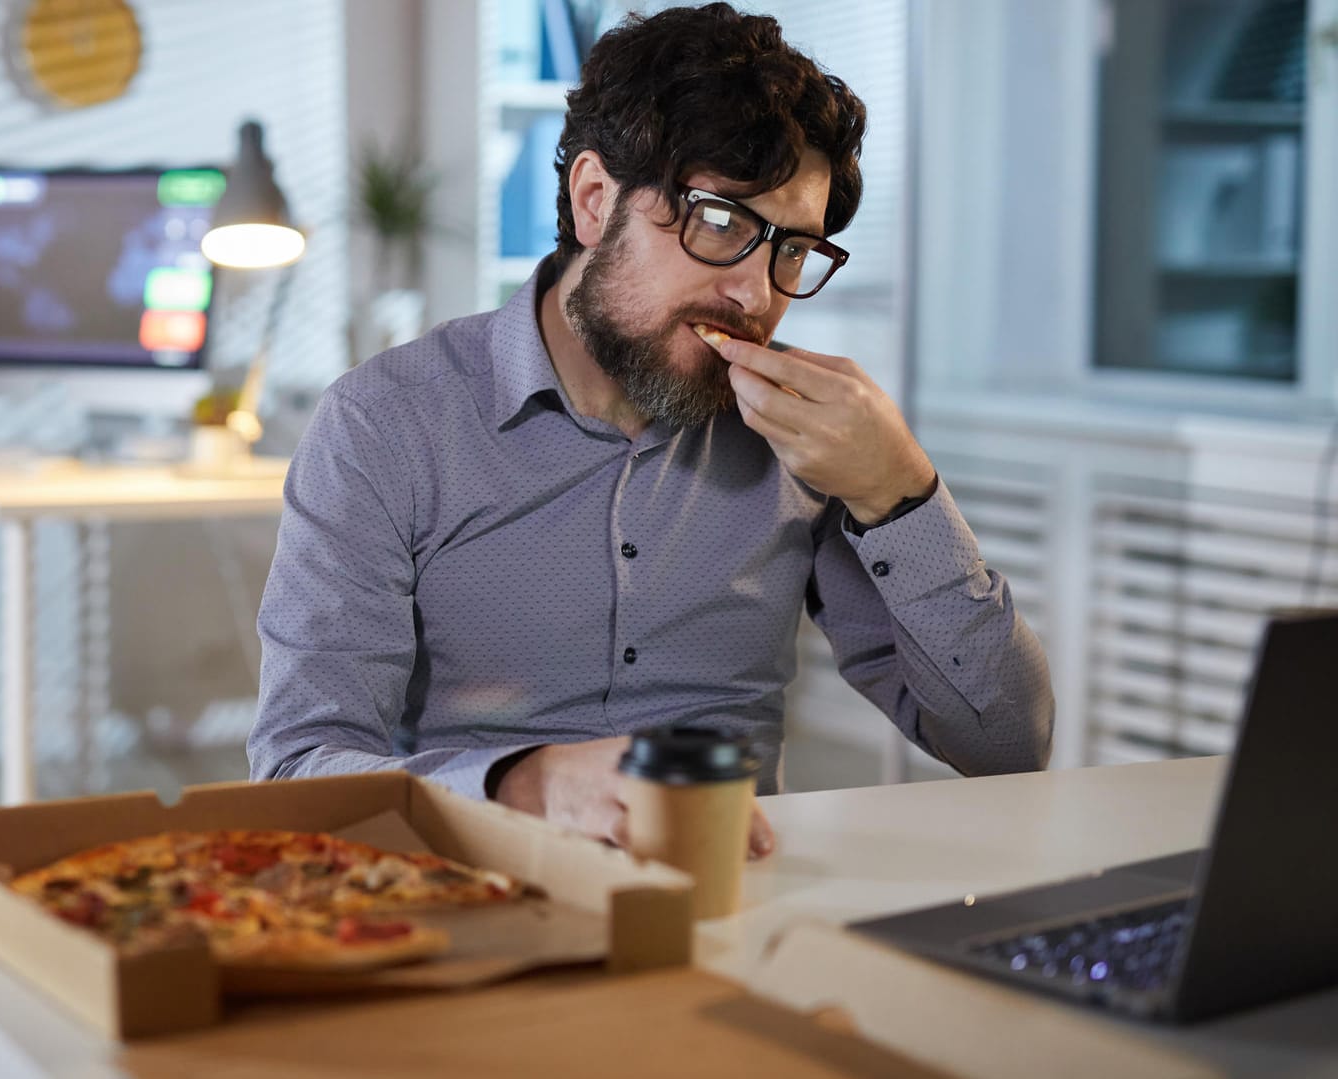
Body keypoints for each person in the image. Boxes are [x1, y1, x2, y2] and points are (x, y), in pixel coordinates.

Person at [248, 3, 1053, 857]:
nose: (756, 293)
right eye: (721, 222)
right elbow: (300, 774)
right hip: (462, 907)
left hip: (735, 907)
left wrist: (901, 492)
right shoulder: (386, 424)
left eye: (790, 249)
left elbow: (1005, 746)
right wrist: (526, 784)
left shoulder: (807, 439)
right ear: (595, 200)